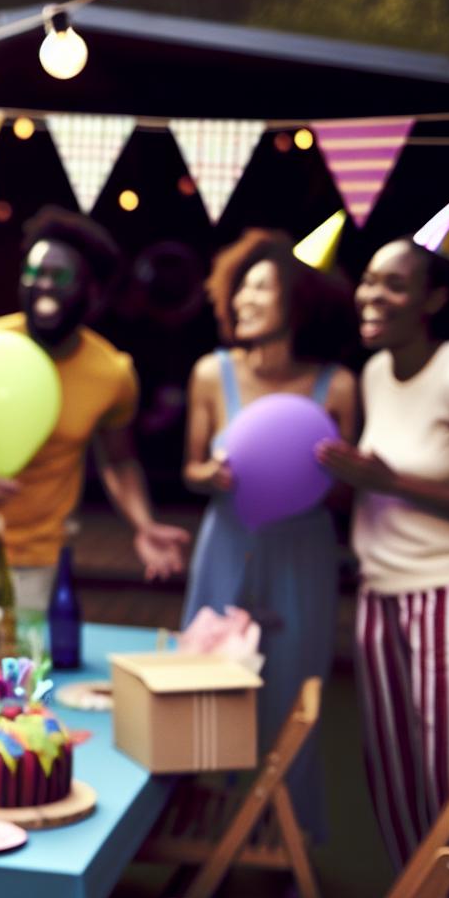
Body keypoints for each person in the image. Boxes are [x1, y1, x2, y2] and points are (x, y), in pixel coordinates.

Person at [318, 187, 449, 898]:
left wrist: (389, 482)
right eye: (368, 280)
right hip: (380, 599)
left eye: (393, 284)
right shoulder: (373, 373)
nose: (372, 294)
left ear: (432, 299)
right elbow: (377, 480)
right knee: (395, 781)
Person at [181, 223, 358, 841]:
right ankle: (199, 841)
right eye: (241, 287)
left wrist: (328, 474)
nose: (244, 300)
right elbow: (191, 468)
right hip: (226, 541)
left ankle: (290, 846)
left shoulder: (337, 386)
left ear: (298, 300)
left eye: (263, 287)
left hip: (303, 549)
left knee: (290, 698)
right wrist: (213, 475)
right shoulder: (210, 372)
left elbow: (344, 494)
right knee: (205, 691)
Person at [0, 206, 190, 610]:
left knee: (15, 673)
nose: (43, 286)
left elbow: (118, 462)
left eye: (59, 276)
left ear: (93, 292)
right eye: (34, 273)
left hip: (35, 559)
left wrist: (143, 524)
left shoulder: (112, 374)